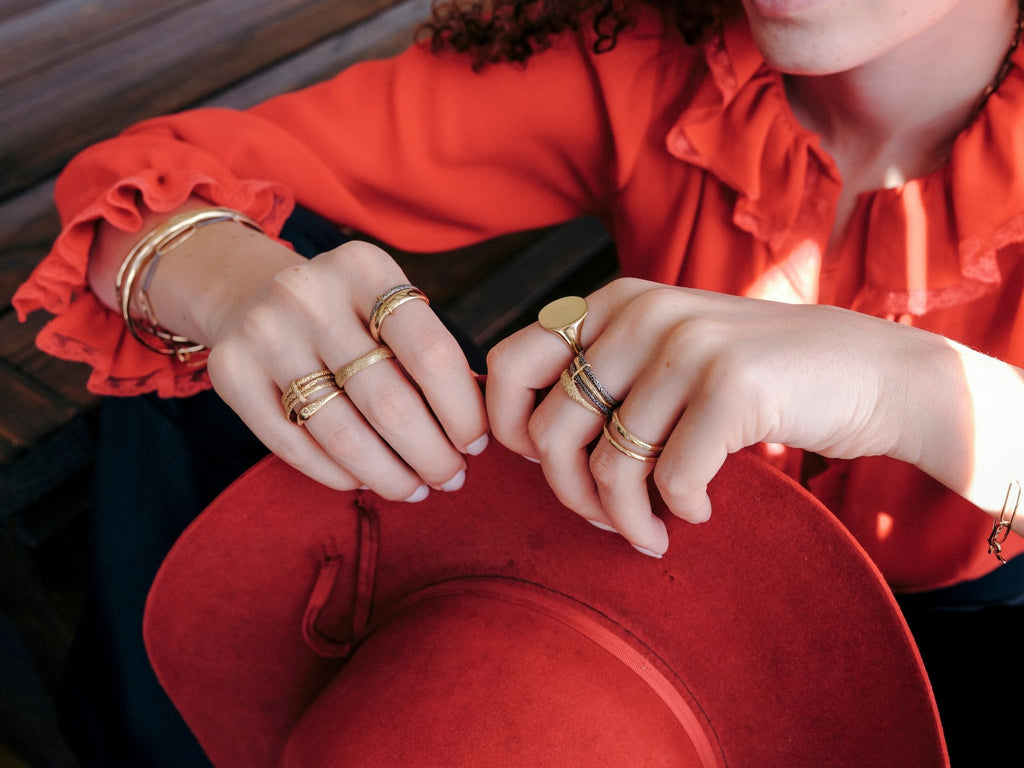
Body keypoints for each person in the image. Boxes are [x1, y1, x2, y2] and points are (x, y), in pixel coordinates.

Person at [12, 0, 1024, 763]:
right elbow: (148, 178)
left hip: (958, 637)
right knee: (237, 331)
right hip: (625, 591)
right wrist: (228, 287)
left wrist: (915, 393)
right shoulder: (655, 56)